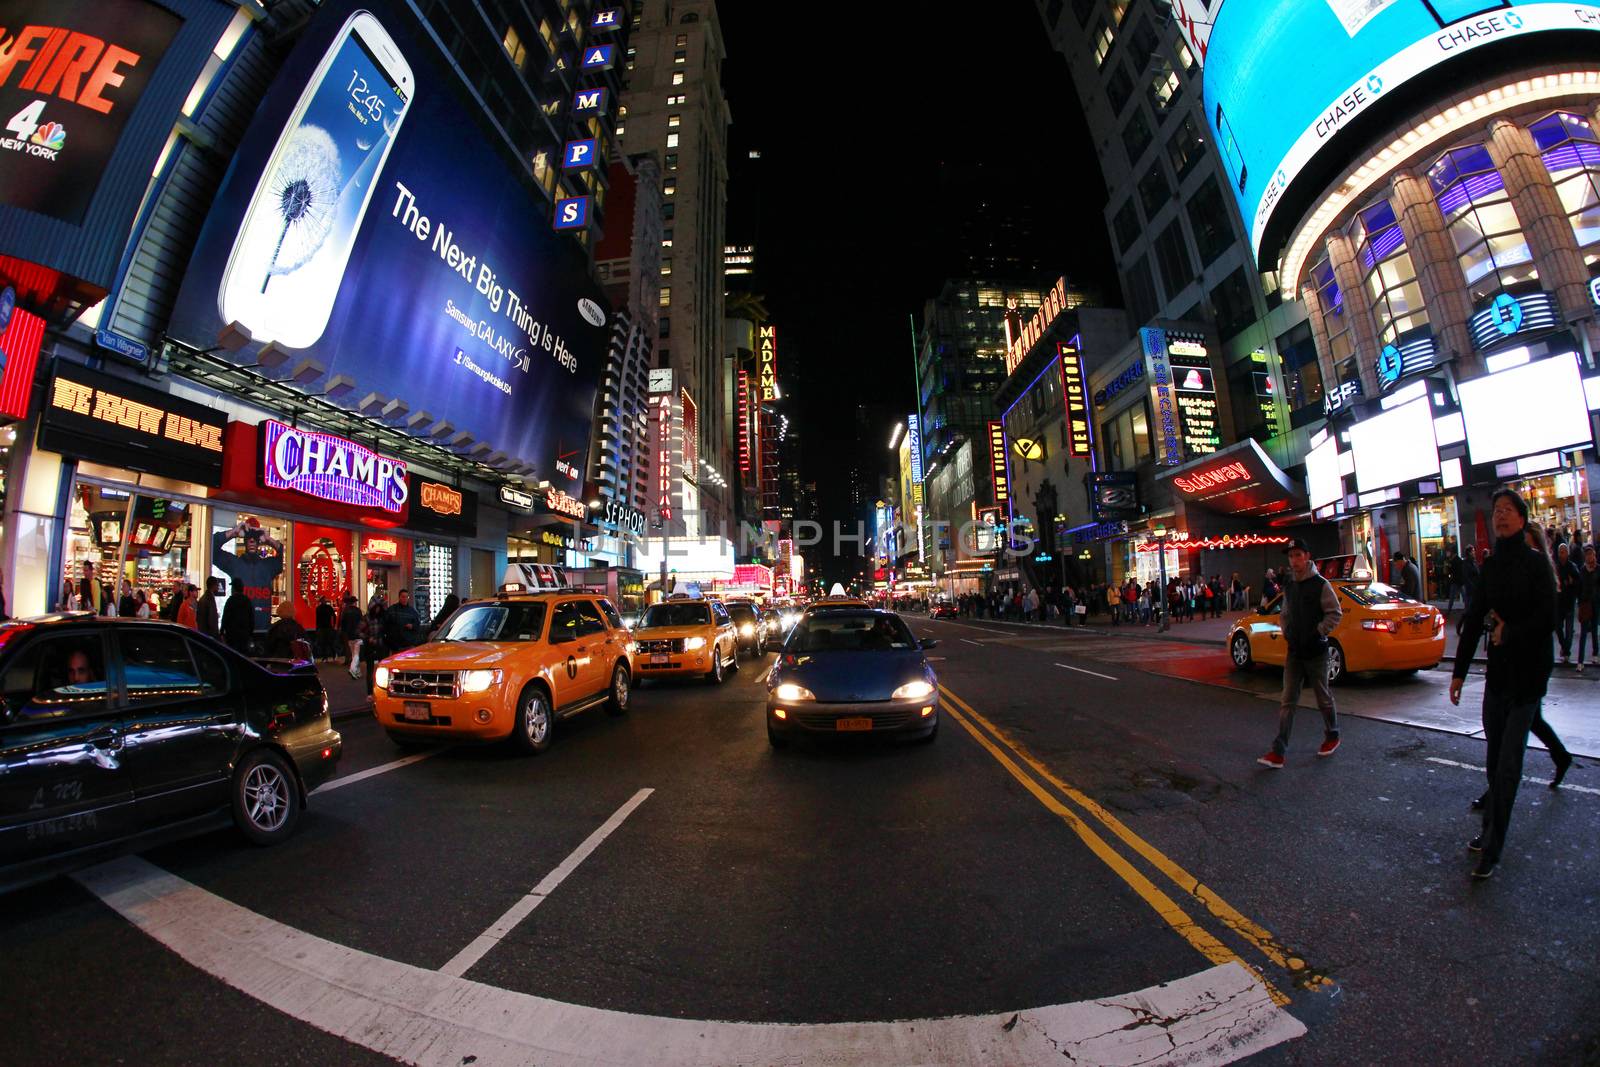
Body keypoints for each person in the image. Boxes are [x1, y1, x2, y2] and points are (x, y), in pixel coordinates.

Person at [1450, 488, 1558, 880]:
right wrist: (1459, 671)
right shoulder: (1492, 566)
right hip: (1497, 677)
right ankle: (1488, 830)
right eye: (1496, 511)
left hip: (1528, 678)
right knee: (1494, 763)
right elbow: (1475, 615)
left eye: (1508, 510)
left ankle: (1492, 850)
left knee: (1510, 765)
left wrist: (1509, 632)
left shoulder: (1536, 564)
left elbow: (1548, 618)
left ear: (1522, 518)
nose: (1500, 516)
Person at [1257, 537, 1342, 769]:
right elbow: (1285, 611)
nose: (1293, 560)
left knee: (1323, 697)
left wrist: (1318, 631)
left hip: (1316, 651)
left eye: (1297, 555)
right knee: (1287, 700)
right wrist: (1287, 630)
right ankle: (1279, 751)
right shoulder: (1290, 585)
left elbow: (1335, 613)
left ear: (1307, 557)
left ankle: (1332, 735)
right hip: (1294, 651)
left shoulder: (1320, 584)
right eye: (1290, 556)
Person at [1555, 542, 1581, 665]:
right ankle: (1565, 648)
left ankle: (1566, 651)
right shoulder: (1556, 567)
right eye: (1560, 551)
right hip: (1559, 603)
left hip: (1569, 602)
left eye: (1564, 551)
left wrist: (1571, 583)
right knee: (1559, 628)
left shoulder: (1572, 567)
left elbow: (1578, 582)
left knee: (1569, 630)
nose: (1562, 554)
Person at [1578, 545, 1600, 674]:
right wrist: (1581, 601)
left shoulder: (1598, 569)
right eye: (1587, 555)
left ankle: (1595, 654)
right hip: (1586, 604)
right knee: (1583, 633)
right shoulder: (1582, 570)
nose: (1589, 557)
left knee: (1594, 630)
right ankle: (1580, 661)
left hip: (1596, 602)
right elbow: (1579, 587)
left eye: (1591, 554)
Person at [221, 581, 256, 654]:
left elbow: (225, 617)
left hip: (231, 635)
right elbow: (251, 618)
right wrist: (250, 633)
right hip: (244, 635)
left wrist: (222, 632)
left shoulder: (230, 601)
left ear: (234, 589)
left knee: (232, 656)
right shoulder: (247, 601)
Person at [340, 593, 366, 678]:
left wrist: (343, 632)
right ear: (354, 602)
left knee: (353, 653)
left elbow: (342, 623)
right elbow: (362, 622)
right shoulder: (358, 611)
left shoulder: (345, 611)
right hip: (357, 634)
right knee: (356, 654)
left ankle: (357, 672)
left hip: (349, 635)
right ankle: (353, 669)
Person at [314, 595, 338, 661]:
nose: (323, 601)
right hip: (326, 627)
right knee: (326, 642)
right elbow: (333, 616)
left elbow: (318, 619)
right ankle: (329, 656)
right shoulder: (327, 608)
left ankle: (329, 656)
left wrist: (333, 625)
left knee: (327, 642)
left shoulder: (319, 608)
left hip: (325, 627)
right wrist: (333, 625)